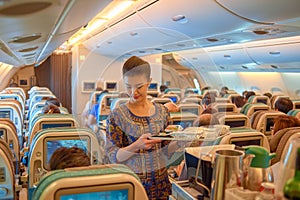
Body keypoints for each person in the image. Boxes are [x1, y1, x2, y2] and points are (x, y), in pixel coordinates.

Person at [105, 56, 183, 199]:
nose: (134, 92)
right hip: (132, 187)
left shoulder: (162, 112)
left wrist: (180, 142)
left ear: (149, 83)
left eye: (139, 86)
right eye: (129, 86)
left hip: (161, 187)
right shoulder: (117, 116)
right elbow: (113, 156)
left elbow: (165, 151)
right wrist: (136, 145)